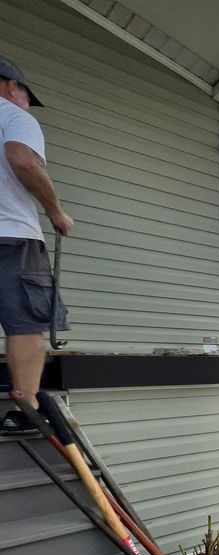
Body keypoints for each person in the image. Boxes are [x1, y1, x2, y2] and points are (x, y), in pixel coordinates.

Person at [1, 57, 73, 434]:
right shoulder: (14, 117)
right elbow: (23, 160)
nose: (28, 104)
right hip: (11, 236)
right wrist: (56, 212)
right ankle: (26, 407)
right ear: (13, 86)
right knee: (25, 323)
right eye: (28, 95)